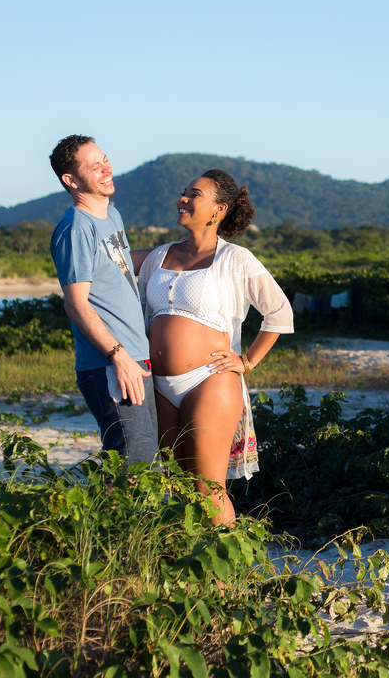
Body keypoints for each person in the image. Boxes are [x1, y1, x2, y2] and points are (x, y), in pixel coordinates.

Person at [134, 169, 293, 525]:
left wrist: (248, 360)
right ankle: (192, 572)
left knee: (208, 489)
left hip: (210, 379)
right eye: (183, 192)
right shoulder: (157, 256)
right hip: (158, 384)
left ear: (218, 210)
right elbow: (106, 264)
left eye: (194, 195)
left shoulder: (236, 259)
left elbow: (279, 312)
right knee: (177, 486)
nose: (183, 199)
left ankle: (229, 578)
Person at [49, 135, 159, 467]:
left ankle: (133, 520)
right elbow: (76, 304)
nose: (106, 168)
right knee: (132, 455)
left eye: (105, 159)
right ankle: (106, 520)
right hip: (109, 364)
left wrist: (181, 250)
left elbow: (122, 261)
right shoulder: (75, 229)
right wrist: (119, 357)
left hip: (135, 356)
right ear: (71, 180)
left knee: (147, 455)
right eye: (94, 166)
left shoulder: (112, 216)